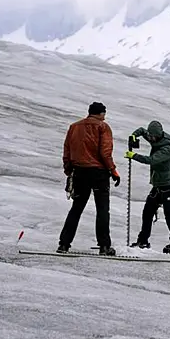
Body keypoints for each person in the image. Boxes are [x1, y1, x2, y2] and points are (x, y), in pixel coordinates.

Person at [58, 101, 120, 255]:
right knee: (102, 209)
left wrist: (69, 170)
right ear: (101, 113)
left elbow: (67, 150)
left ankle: (64, 244)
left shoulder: (74, 127)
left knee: (77, 208)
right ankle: (104, 246)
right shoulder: (103, 127)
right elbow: (105, 152)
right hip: (99, 173)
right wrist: (113, 171)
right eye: (104, 113)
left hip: (80, 172)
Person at [126, 120, 170, 254]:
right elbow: (142, 130)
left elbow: (151, 160)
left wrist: (134, 156)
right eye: (150, 136)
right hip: (157, 186)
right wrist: (134, 135)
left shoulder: (166, 148)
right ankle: (143, 240)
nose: (150, 138)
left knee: (169, 215)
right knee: (147, 212)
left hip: (167, 186)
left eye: (152, 137)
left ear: (158, 135)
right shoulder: (155, 138)